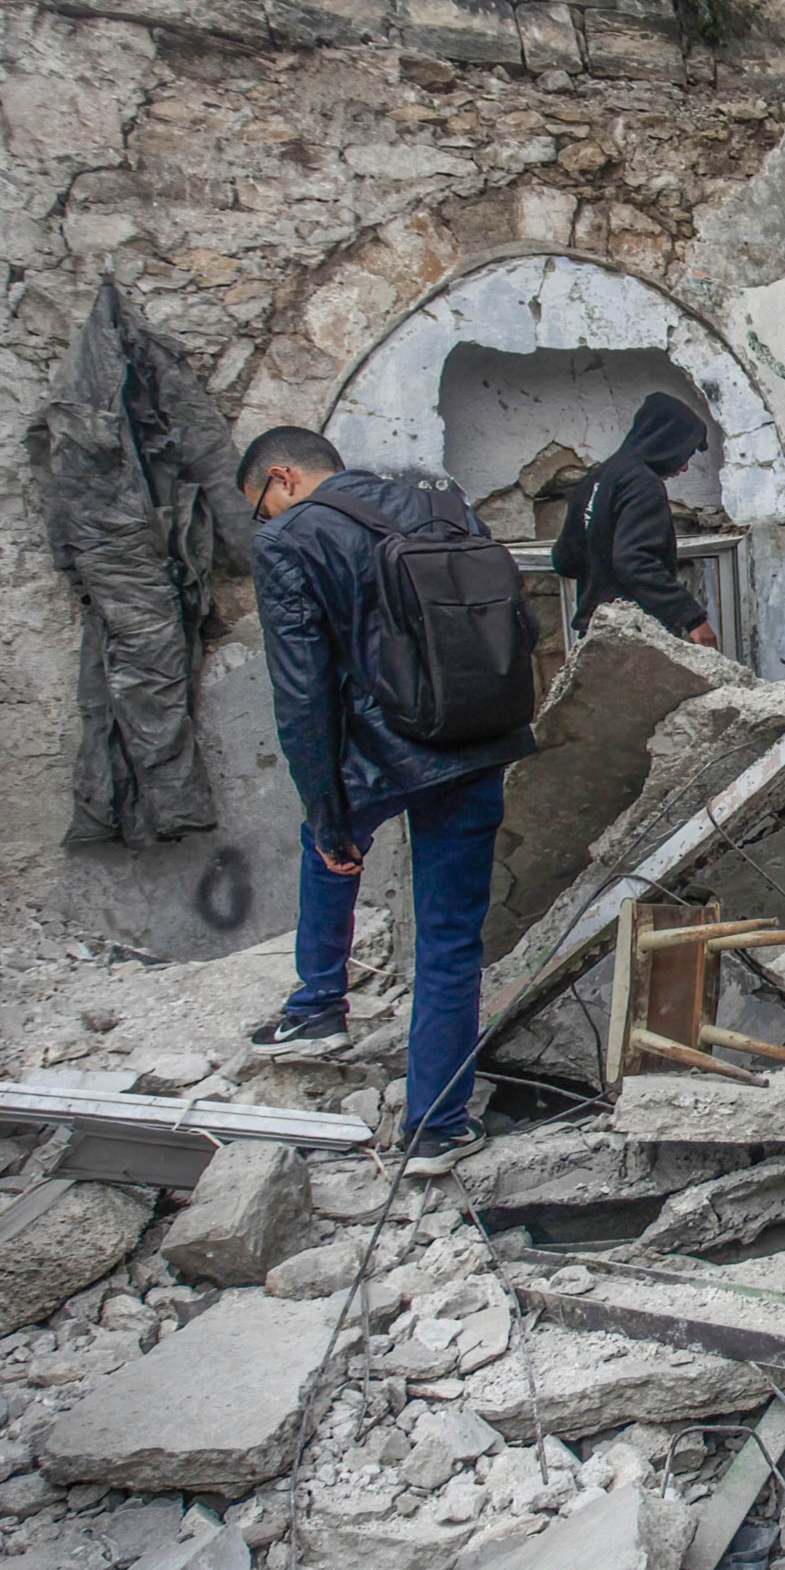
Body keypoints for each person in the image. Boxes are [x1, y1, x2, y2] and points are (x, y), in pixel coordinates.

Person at [238, 426, 535, 1176]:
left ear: (283, 478)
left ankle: (316, 1008)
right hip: (473, 740)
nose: (264, 521)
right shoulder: (442, 506)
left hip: (378, 750)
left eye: (260, 506)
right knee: (450, 938)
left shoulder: (291, 540)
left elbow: (302, 690)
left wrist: (326, 811)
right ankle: (437, 1127)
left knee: (327, 847)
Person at [555, 385, 723, 649]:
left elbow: (565, 561)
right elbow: (634, 561)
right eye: (685, 454)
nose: (684, 466)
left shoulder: (598, 477)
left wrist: (600, 571)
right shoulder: (642, 483)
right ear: (665, 441)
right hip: (633, 637)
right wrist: (693, 620)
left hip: (594, 633)